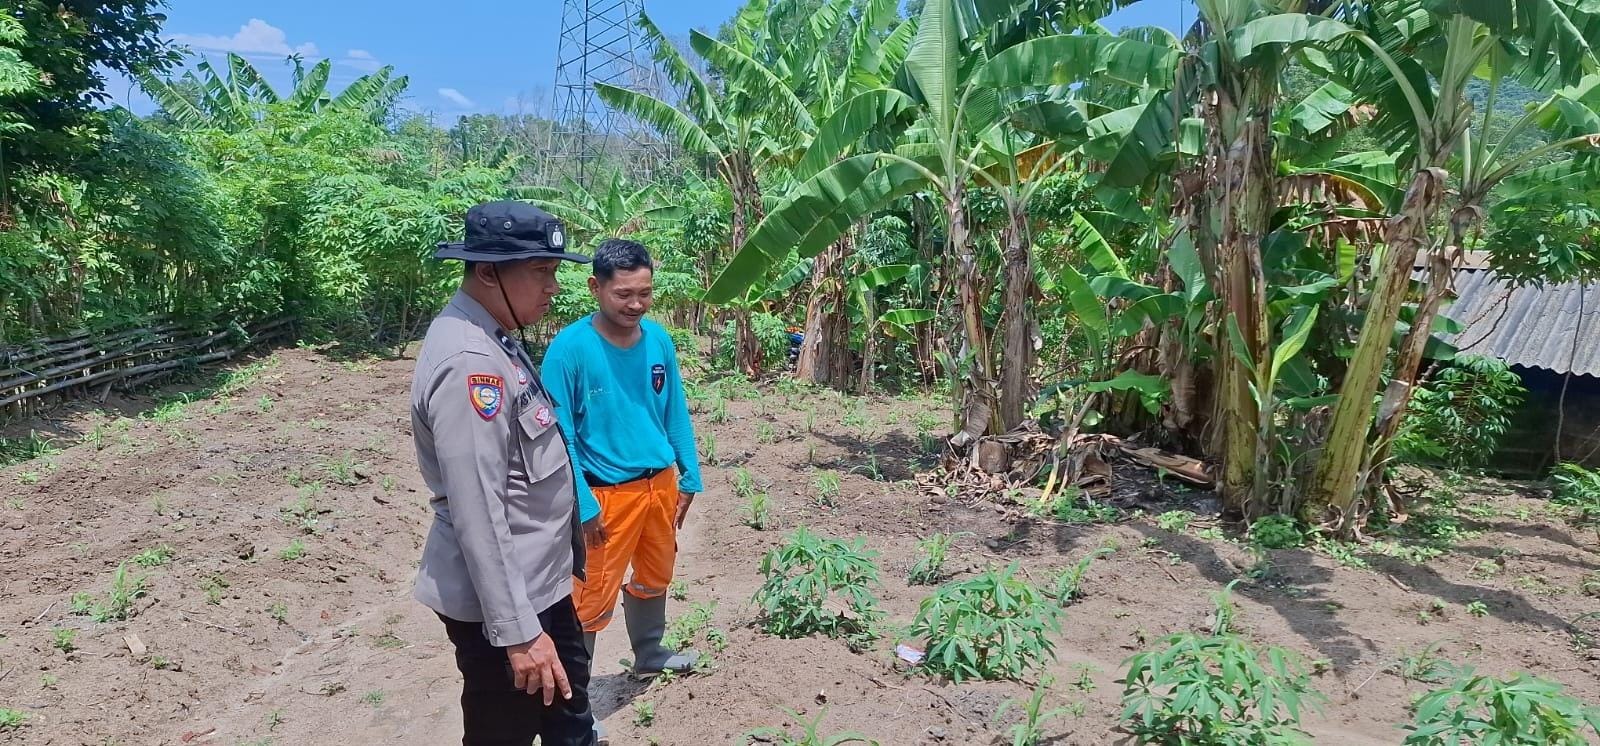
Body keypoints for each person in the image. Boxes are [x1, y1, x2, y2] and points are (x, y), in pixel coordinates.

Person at [411, 200, 601, 746]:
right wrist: (519, 634)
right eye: (540, 271)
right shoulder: (470, 362)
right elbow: (477, 509)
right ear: (489, 272)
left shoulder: (494, 332)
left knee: (571, 721)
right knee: (506, 732)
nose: (552, 287)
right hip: (505, 606)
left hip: (537, 583)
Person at [542, 239, 703, 717]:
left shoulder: (658, 341)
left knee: (656, 572)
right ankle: (575, 705)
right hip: (604, 495)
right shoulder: (570, 350)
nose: (636, 304)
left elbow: (674, 410)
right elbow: (559, 436)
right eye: (624, 294)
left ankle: (649, 653)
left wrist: (689, 474)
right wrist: (583, 501)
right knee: (590, 595)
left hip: (660, 486)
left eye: (645, 293)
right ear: (595, 288)